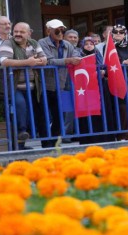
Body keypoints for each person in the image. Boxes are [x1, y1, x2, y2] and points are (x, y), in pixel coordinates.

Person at [0, 22, 48, 150]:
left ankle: (23, 143)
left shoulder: (34, 43)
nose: (18, 34)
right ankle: (20, 135)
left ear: (29, 33)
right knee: (20, 106)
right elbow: (4, 61)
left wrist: (35, 61)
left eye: (21, 32)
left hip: (33, 86)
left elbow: (44, 60)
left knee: (30, 112)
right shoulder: (8, 43)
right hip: (14, 86)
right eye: (16, 31)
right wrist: (28, 62)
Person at [38, 19, 81, 148]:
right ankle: (46, 143)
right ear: (48, 30)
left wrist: (74, 60)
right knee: (45, 115)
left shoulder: (67, 44)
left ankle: (55, 142)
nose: (60, 32)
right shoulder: (42, 43)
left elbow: (76, 55)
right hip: (45, 85)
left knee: (59, 115)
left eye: (62, 29)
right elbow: (48, 61)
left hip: (61, 85)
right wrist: (68, 60)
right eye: (57, 30)